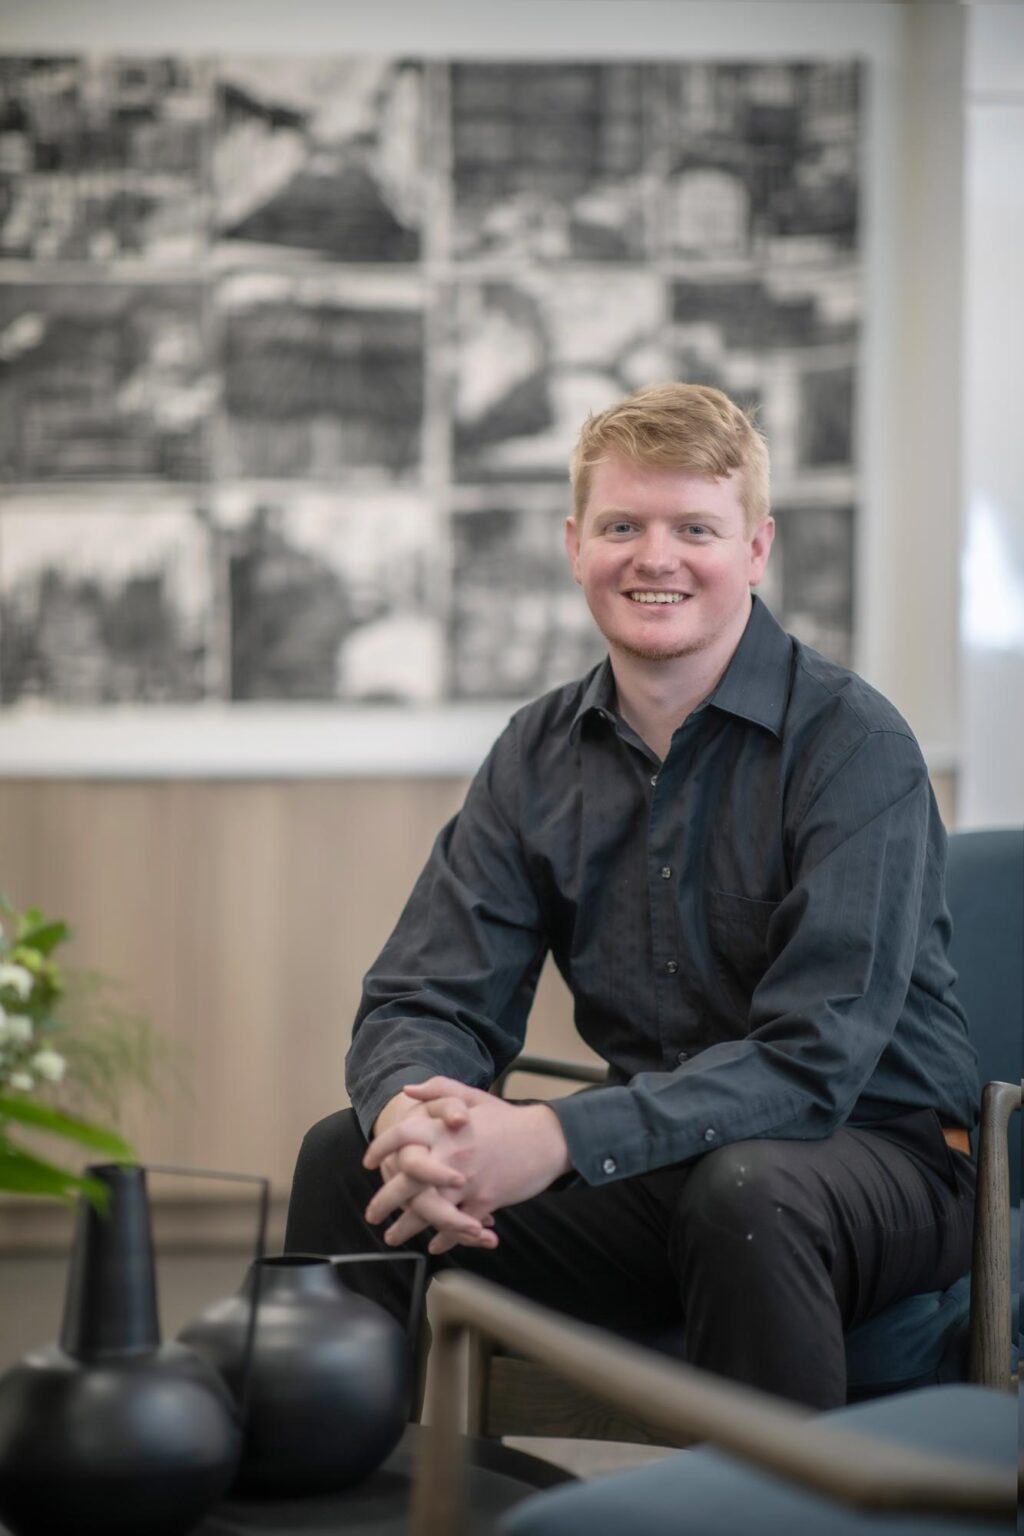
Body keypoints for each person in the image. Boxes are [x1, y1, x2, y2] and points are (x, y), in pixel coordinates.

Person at [285, 382, 978, 1409]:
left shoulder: (853, 745)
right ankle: (338, 1493)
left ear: (754, 549)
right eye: (622, 525)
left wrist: (557, 1138)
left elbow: (814, 1060)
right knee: (349, 1157)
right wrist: (416, 1115)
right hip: (662, 1163)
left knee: (748, 1189)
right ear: (576, 545)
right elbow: (424, 995)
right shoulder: (536, 752)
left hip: (874, 1165)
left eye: (693, 527)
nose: (654, 558)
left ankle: (771, 1518)